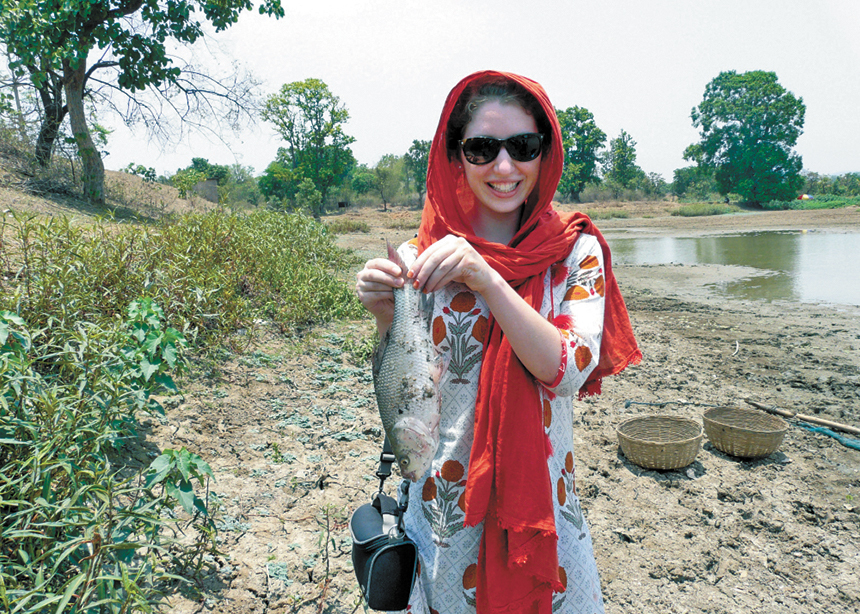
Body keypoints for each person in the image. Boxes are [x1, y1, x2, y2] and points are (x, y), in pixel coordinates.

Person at [356, 71, 641, 614]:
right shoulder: (421, 260)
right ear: (457, 155)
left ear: (545, 151)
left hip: (543, 507)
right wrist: (384, 317)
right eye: (483, 148)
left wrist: (485, 278)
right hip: (443, 510)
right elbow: (407, 387)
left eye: (523, 146)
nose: (505, 167)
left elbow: (568, 369)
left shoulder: (574, 252)